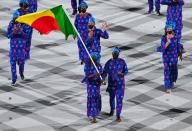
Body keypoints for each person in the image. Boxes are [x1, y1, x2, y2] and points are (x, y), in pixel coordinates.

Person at [102, 47, 128, 122]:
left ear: (118, 54)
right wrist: (102, 79)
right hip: (111, 84)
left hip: (120, 85)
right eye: (114, 53)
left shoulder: (122, 62)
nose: (115, 54)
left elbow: (126, 71)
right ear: (112, 54)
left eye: (116, 53)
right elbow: (104, 73)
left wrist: (122, 74)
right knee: (112, 98)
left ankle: (118, 115)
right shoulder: (108, 62)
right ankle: (112, 110)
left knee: (119, 100)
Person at [160, 23, 182, 93]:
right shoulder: (163, 38)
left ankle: (172, 81)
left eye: (170, 28)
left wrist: (180, 55)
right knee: (167, 72)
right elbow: (162, 49)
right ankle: (168, 87)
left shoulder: (175, 37)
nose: (169, 30)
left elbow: (178, 46)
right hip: (166, 58)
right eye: (167, 28)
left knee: (174, 70)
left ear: (172, 29)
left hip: (174, 57)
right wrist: (167, 42)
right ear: (166, 30)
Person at [7, 10, 28, 86]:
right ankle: (14, 79)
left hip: (21, 48)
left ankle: (21, 72)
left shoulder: (24, 24)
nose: (15, 20)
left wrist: (21, 31)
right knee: (12, 63)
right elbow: (8, 35)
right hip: (13, 48)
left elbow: (26, 36)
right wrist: (13, 32)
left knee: (21, 62)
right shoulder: (11, 24)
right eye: (14, 18)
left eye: (17, 18)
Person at [83, 52, 103, 123]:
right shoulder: (87, 66)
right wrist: (95, 74)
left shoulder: (99, 66)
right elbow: (87, 76)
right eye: (92, 58)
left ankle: (95, 114)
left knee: (96, 99)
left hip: (97, 86)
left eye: (95, 59)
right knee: (92, 99)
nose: (94, 60)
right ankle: (94, 117)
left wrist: (102, 81)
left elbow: (101, 76)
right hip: (91, 86)